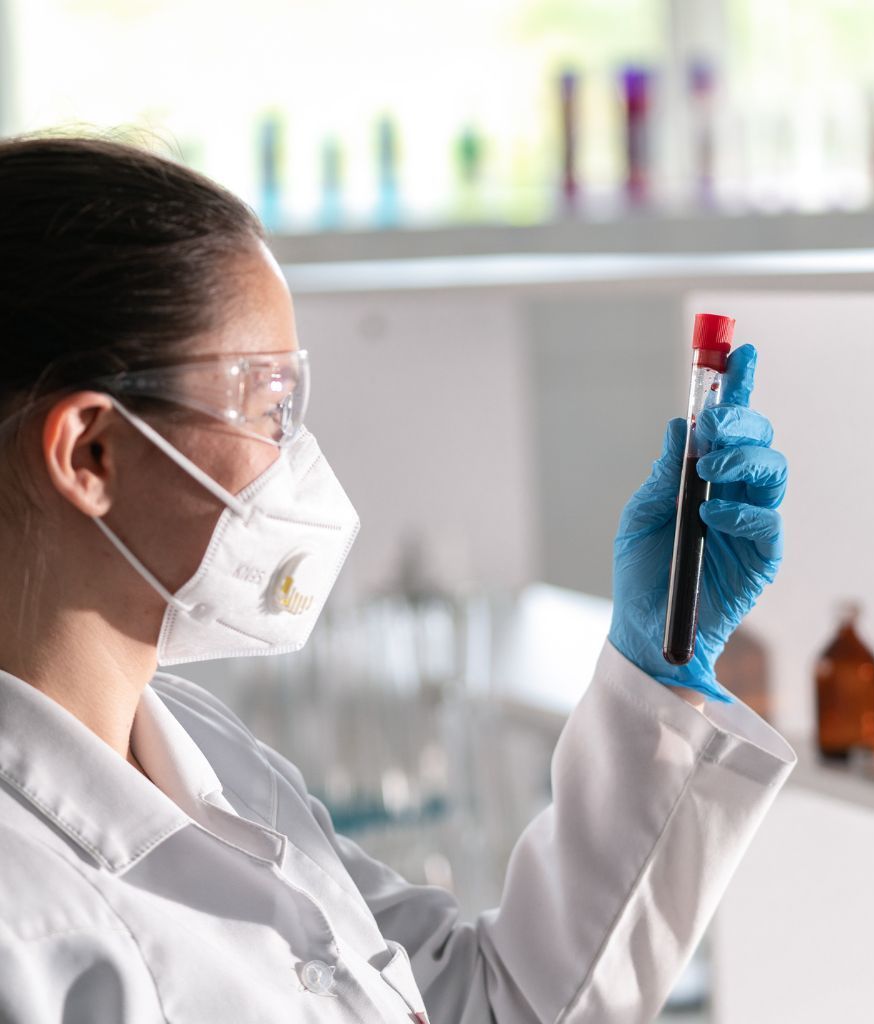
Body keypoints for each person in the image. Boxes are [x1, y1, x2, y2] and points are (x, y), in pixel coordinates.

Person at [0, 133, 795, 1024]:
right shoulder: (21, 929)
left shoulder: (203, 749)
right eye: (270, 410)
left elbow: (487, 1003)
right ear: (91, 452)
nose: (294, 461)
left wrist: (653, 665)